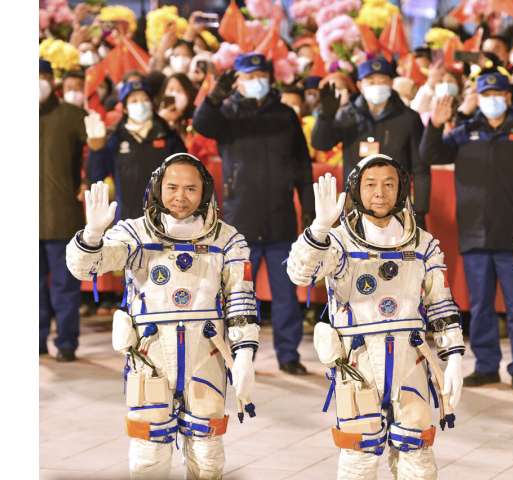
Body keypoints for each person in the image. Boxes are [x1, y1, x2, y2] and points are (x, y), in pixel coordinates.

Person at [66, 154, 260, 478]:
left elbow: (241, 300)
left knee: (208, 454)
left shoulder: (226, 239)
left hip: (207, 354)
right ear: (157, 188)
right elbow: (87, 267)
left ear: (205, 192)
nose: (180, 197)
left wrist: (244, 356)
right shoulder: (135, 234)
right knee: (148, 456)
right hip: (150, 357)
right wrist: (92, 236)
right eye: (172, 187)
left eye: (190, 189)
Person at [286, 154, 464, 479]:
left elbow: (441, 302)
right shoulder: (338, 242)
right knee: (359, 459)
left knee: (418, 459)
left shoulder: (423, 244)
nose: (379, 193)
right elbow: (301, 274)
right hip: (358, 363)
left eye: (388, 184)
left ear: (402, 189)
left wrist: (452, 356)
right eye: (370, 185)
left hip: (410, 361)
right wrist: (319, 228)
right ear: (357, 189)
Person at [192, 53, 314, 375]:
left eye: (261, 74)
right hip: (241, 219)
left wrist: (310, 213)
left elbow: (303, 166)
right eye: (248, 76)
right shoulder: (228, 114)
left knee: (286, 293)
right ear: (239, 81)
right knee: (238, 293)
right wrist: (214, 98)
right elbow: (201, 125)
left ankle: (288, 354)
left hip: (280, 218)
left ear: (270, 77)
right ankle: (236, 353)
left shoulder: (286, 115)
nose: (255, 81)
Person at [420, 69, 513, 390]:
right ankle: (486, 366)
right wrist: (434, 124)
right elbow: (430, 154)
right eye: (486, 96)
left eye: (497, 95)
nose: (492, 101)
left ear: (508, 98)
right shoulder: (465, 131)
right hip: (474, 233)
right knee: (480, 307)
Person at [311, 57, 429, 227]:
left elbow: (420, 168)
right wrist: (325, 117)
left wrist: (420, 210)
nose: (377, 86)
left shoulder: (408, 118)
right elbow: (321, 144)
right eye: (371, 81)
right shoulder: (347, 115)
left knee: (396, 253)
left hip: (397, 206)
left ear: (391, 83)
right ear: (359, 85)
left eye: (383, 81)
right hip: (355, 206)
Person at [39, 59, 87, 361]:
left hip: (62, 215)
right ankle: (36, 340)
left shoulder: (72, 115)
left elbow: (98, 149)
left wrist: (89, 181)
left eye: (44, 76)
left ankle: (67, 342)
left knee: (65, 286)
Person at [88, 80, 186, 221]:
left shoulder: (168, 136)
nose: (140, 104)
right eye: (134, 101)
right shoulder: (116, 138)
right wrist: (96, 149)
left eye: (145, 100)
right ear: (125, 108)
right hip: (126, 220)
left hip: (165, 219)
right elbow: (95, 176)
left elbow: (185, 173)